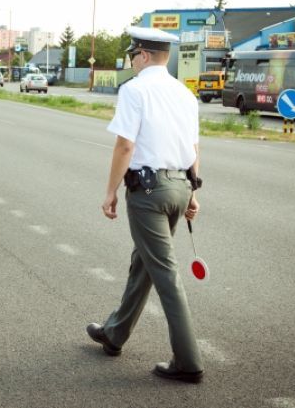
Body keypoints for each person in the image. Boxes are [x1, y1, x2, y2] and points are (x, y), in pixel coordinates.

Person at [86, 26, 204, 383]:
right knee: (145, 262)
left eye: (132, 55)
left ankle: (189, 362)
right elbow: (194, 148)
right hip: (179, 187)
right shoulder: (185, 94)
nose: (131, 62)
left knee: (164, 272)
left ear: (145, 55)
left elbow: (125, 146)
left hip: (148, 194)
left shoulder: (135, 90)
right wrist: (193, 193)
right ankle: (114, 333)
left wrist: (110, 192)